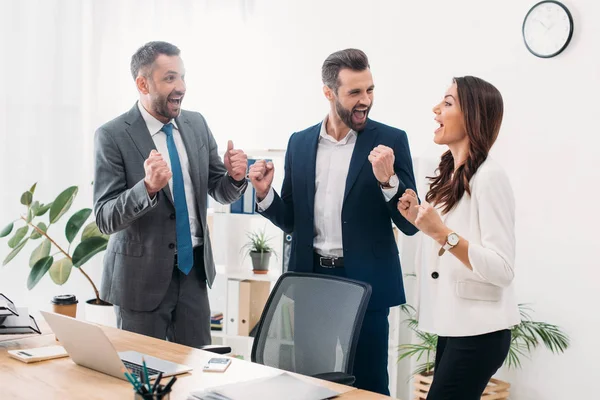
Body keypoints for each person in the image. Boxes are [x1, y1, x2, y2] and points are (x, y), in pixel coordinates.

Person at [248, 48, 418, 395]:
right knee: (311, 383)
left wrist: (389, 182)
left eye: (369, 90)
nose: (365, 100)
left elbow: (411, 223)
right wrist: (265, 195)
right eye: (355, 92)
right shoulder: (300, 143)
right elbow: (293, 220)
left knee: (370, 384)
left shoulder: (391, 140)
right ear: (329, 93)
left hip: (367, 282)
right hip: (313, 282)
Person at [93, 41, 248, 348]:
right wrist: (147, 188)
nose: (181, 87)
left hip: (193, 276)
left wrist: (235, 177)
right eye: (169, 79)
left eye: (182, 77)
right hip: (140, 281)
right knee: (142, 378)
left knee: (197, 373)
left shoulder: (196, 124)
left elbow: (219, 188)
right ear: (142, 83)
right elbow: (104, 218)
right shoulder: (112, 135)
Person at [398, 76, 521, 400]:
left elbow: (503, 269)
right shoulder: (450, 173)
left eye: (448, 102)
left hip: (480, 332)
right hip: (455, 326)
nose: (436, 109)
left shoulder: (490, 177)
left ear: (473, 116)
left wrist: (441, 232)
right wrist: (421, 222)